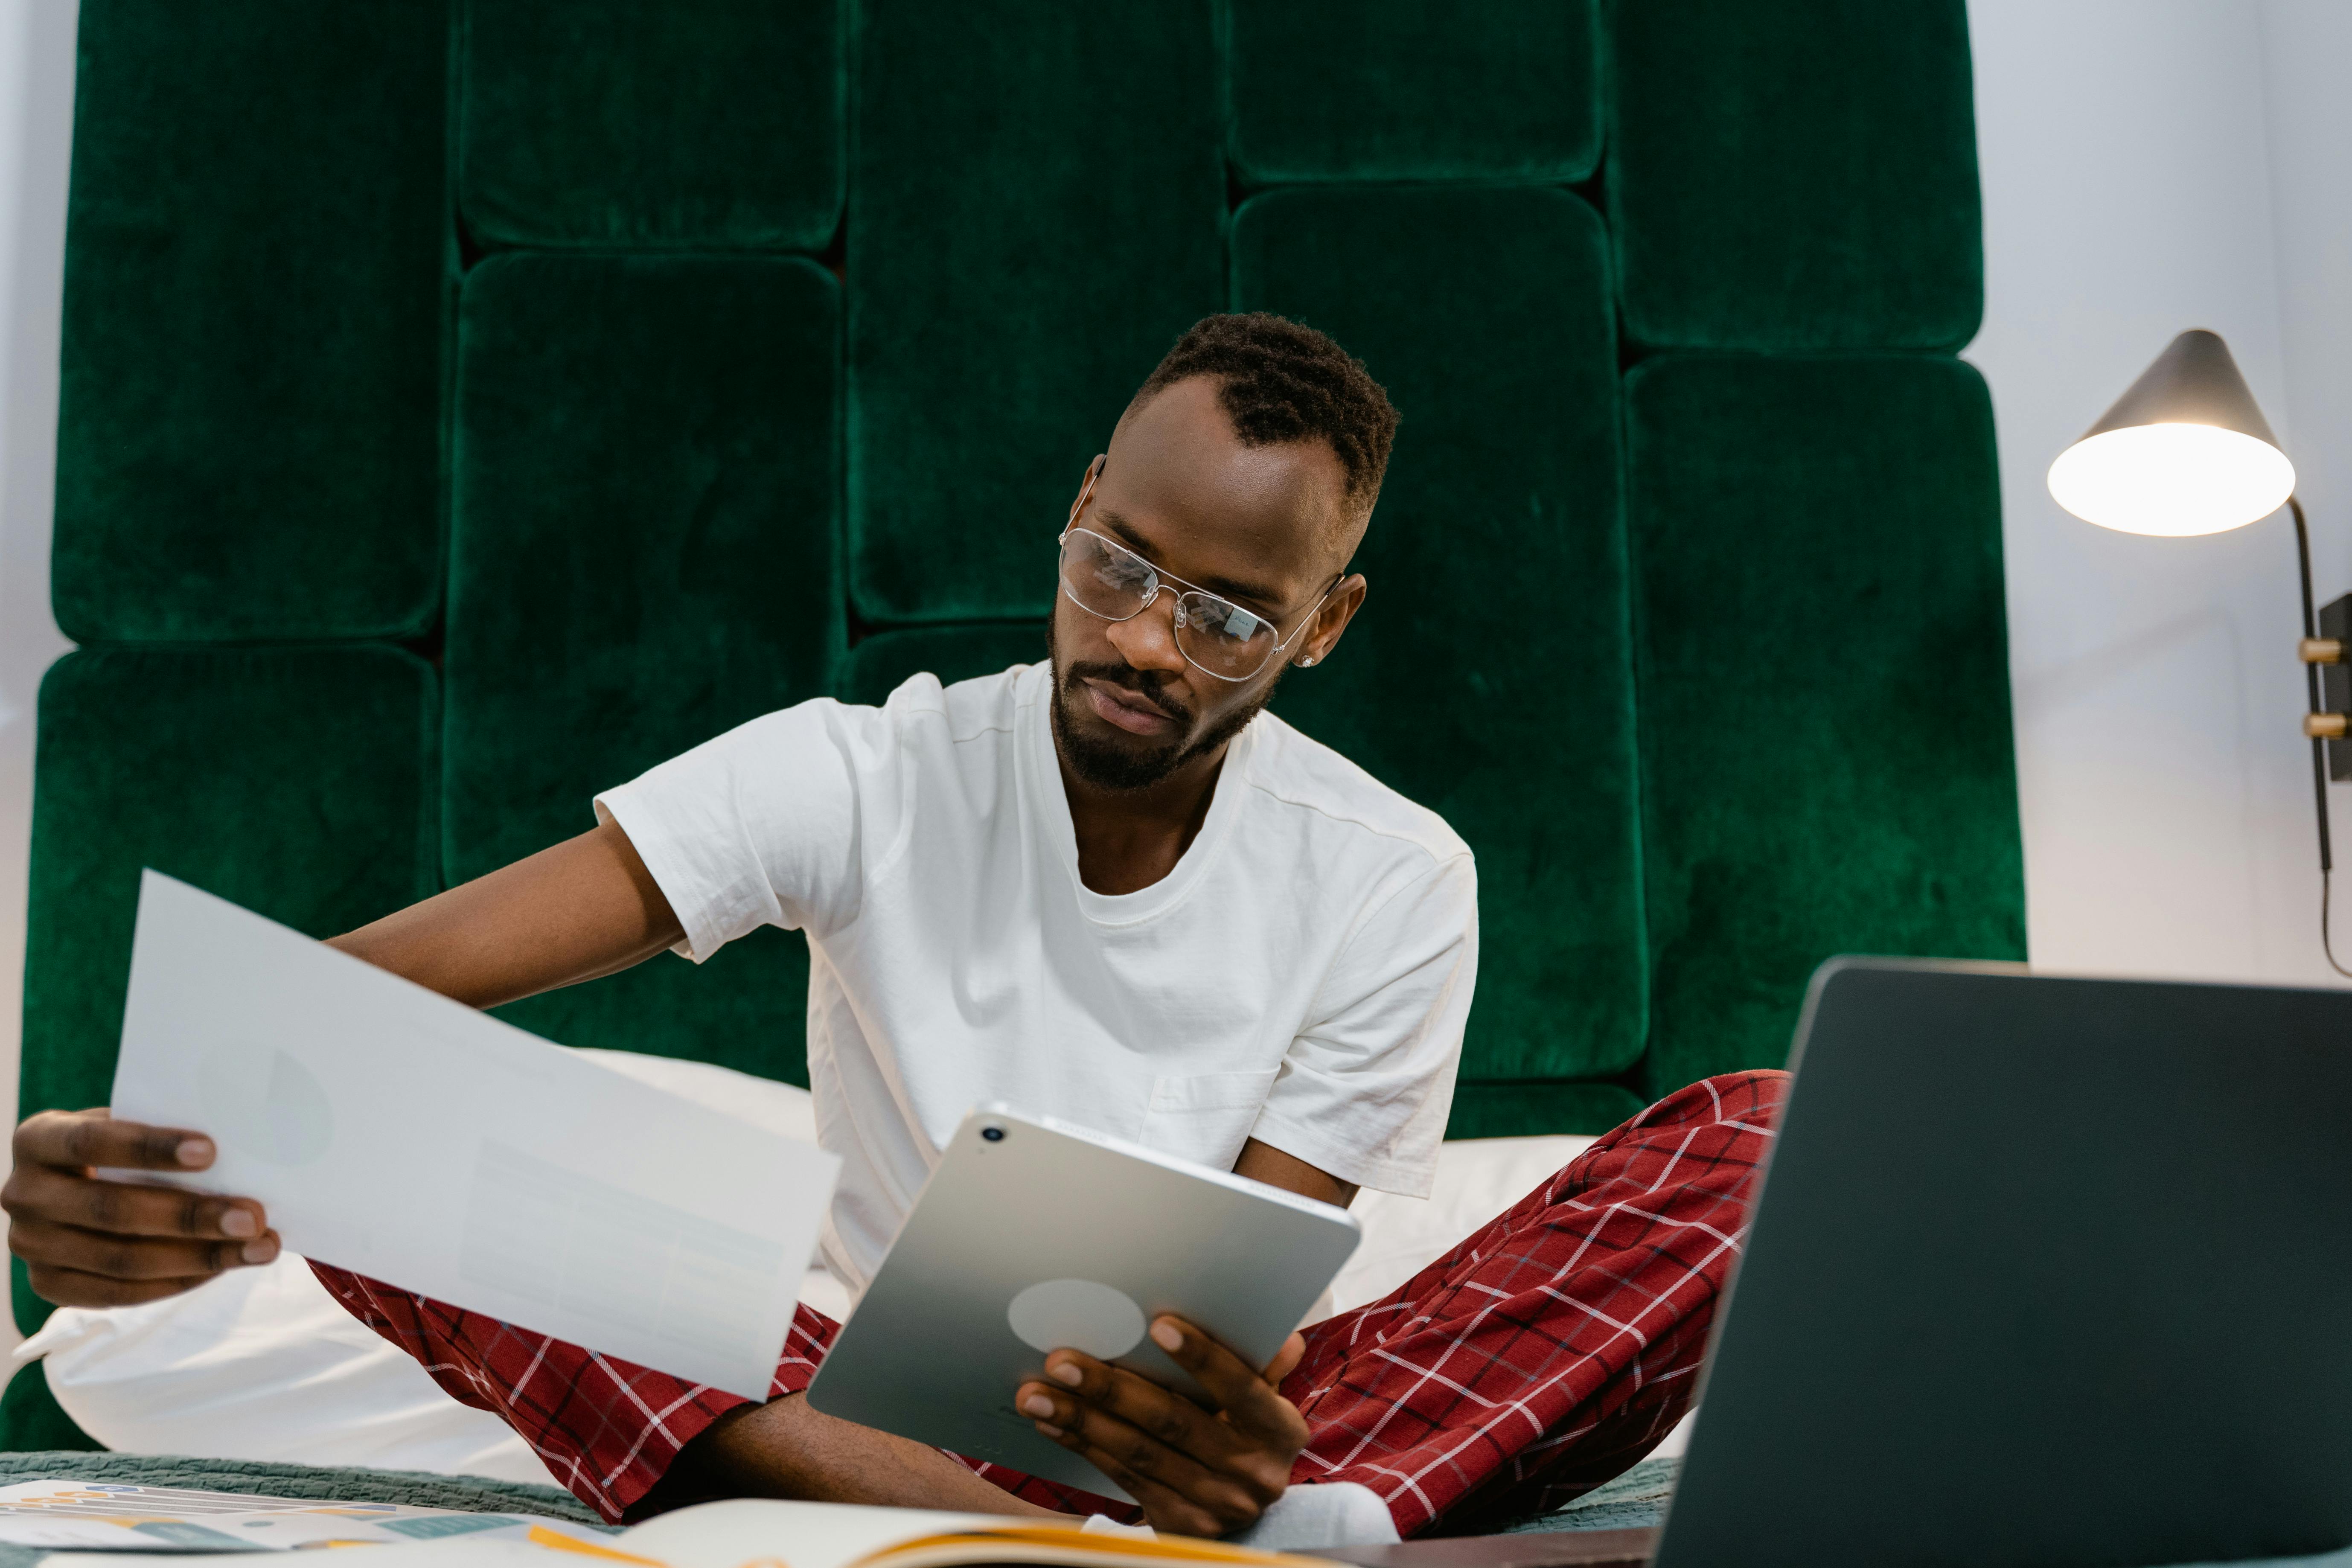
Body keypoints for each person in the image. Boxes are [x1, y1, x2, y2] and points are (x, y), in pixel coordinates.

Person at [3, 314, 1785, 1540]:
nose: (1151, 642)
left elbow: (1237, 1305)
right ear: (1080, 503)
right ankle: (1026, 1530)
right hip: (852, 1406)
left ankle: (1230, 1525)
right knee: (413, 1121)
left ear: (1326, 626)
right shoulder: (860, 773)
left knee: (1774, 1131)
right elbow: (343, 1007)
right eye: (1123, 568)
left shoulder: (1397, 872)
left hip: (1228, 1438)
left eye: (1233, 618)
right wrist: (166, 1131)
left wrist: (1226, 1430)